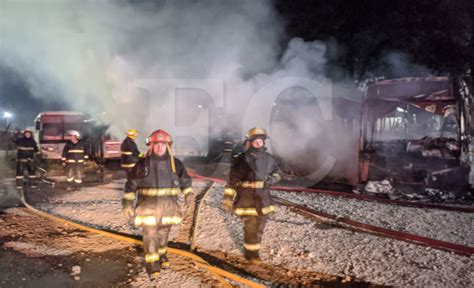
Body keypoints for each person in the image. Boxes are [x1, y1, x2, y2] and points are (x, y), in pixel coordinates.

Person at [122, 129, 194, 278]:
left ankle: (162, 254)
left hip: (169, 207)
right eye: (157, 144)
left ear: (168, 146)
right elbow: (131, 185)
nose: (160, 147)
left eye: (163, 144)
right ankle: (153, 266)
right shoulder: (142, 165)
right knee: (150, 234)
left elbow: (185, 182)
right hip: (147, 207)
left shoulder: (176, 164)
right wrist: (127, 203)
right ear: (151, 146)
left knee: (163, 233)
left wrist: (189, 196)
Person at [223, 127, 282, 261]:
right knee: (250, 228)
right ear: (250, 142)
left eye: (260, 141)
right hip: (246, 199)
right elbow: (232, 180)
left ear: (263, 142)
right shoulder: (242, 159)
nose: (258, 143)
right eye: (255, 141)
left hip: (263, 199)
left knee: (259, 228)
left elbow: (279, 172)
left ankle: (254, 251)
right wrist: (228, 198)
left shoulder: (269, 158)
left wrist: (273, 179)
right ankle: (251, 256)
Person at [120, 129, 143, 196]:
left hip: (126, 162)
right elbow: (135, 152)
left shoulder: (126, 141)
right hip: (130, 163)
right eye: (135, 134)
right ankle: (131, 189)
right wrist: (142, 156)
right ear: (132, 135)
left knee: (130, 177)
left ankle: (128, 188)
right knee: (132, 177)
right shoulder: (130, 142)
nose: (135, 135)